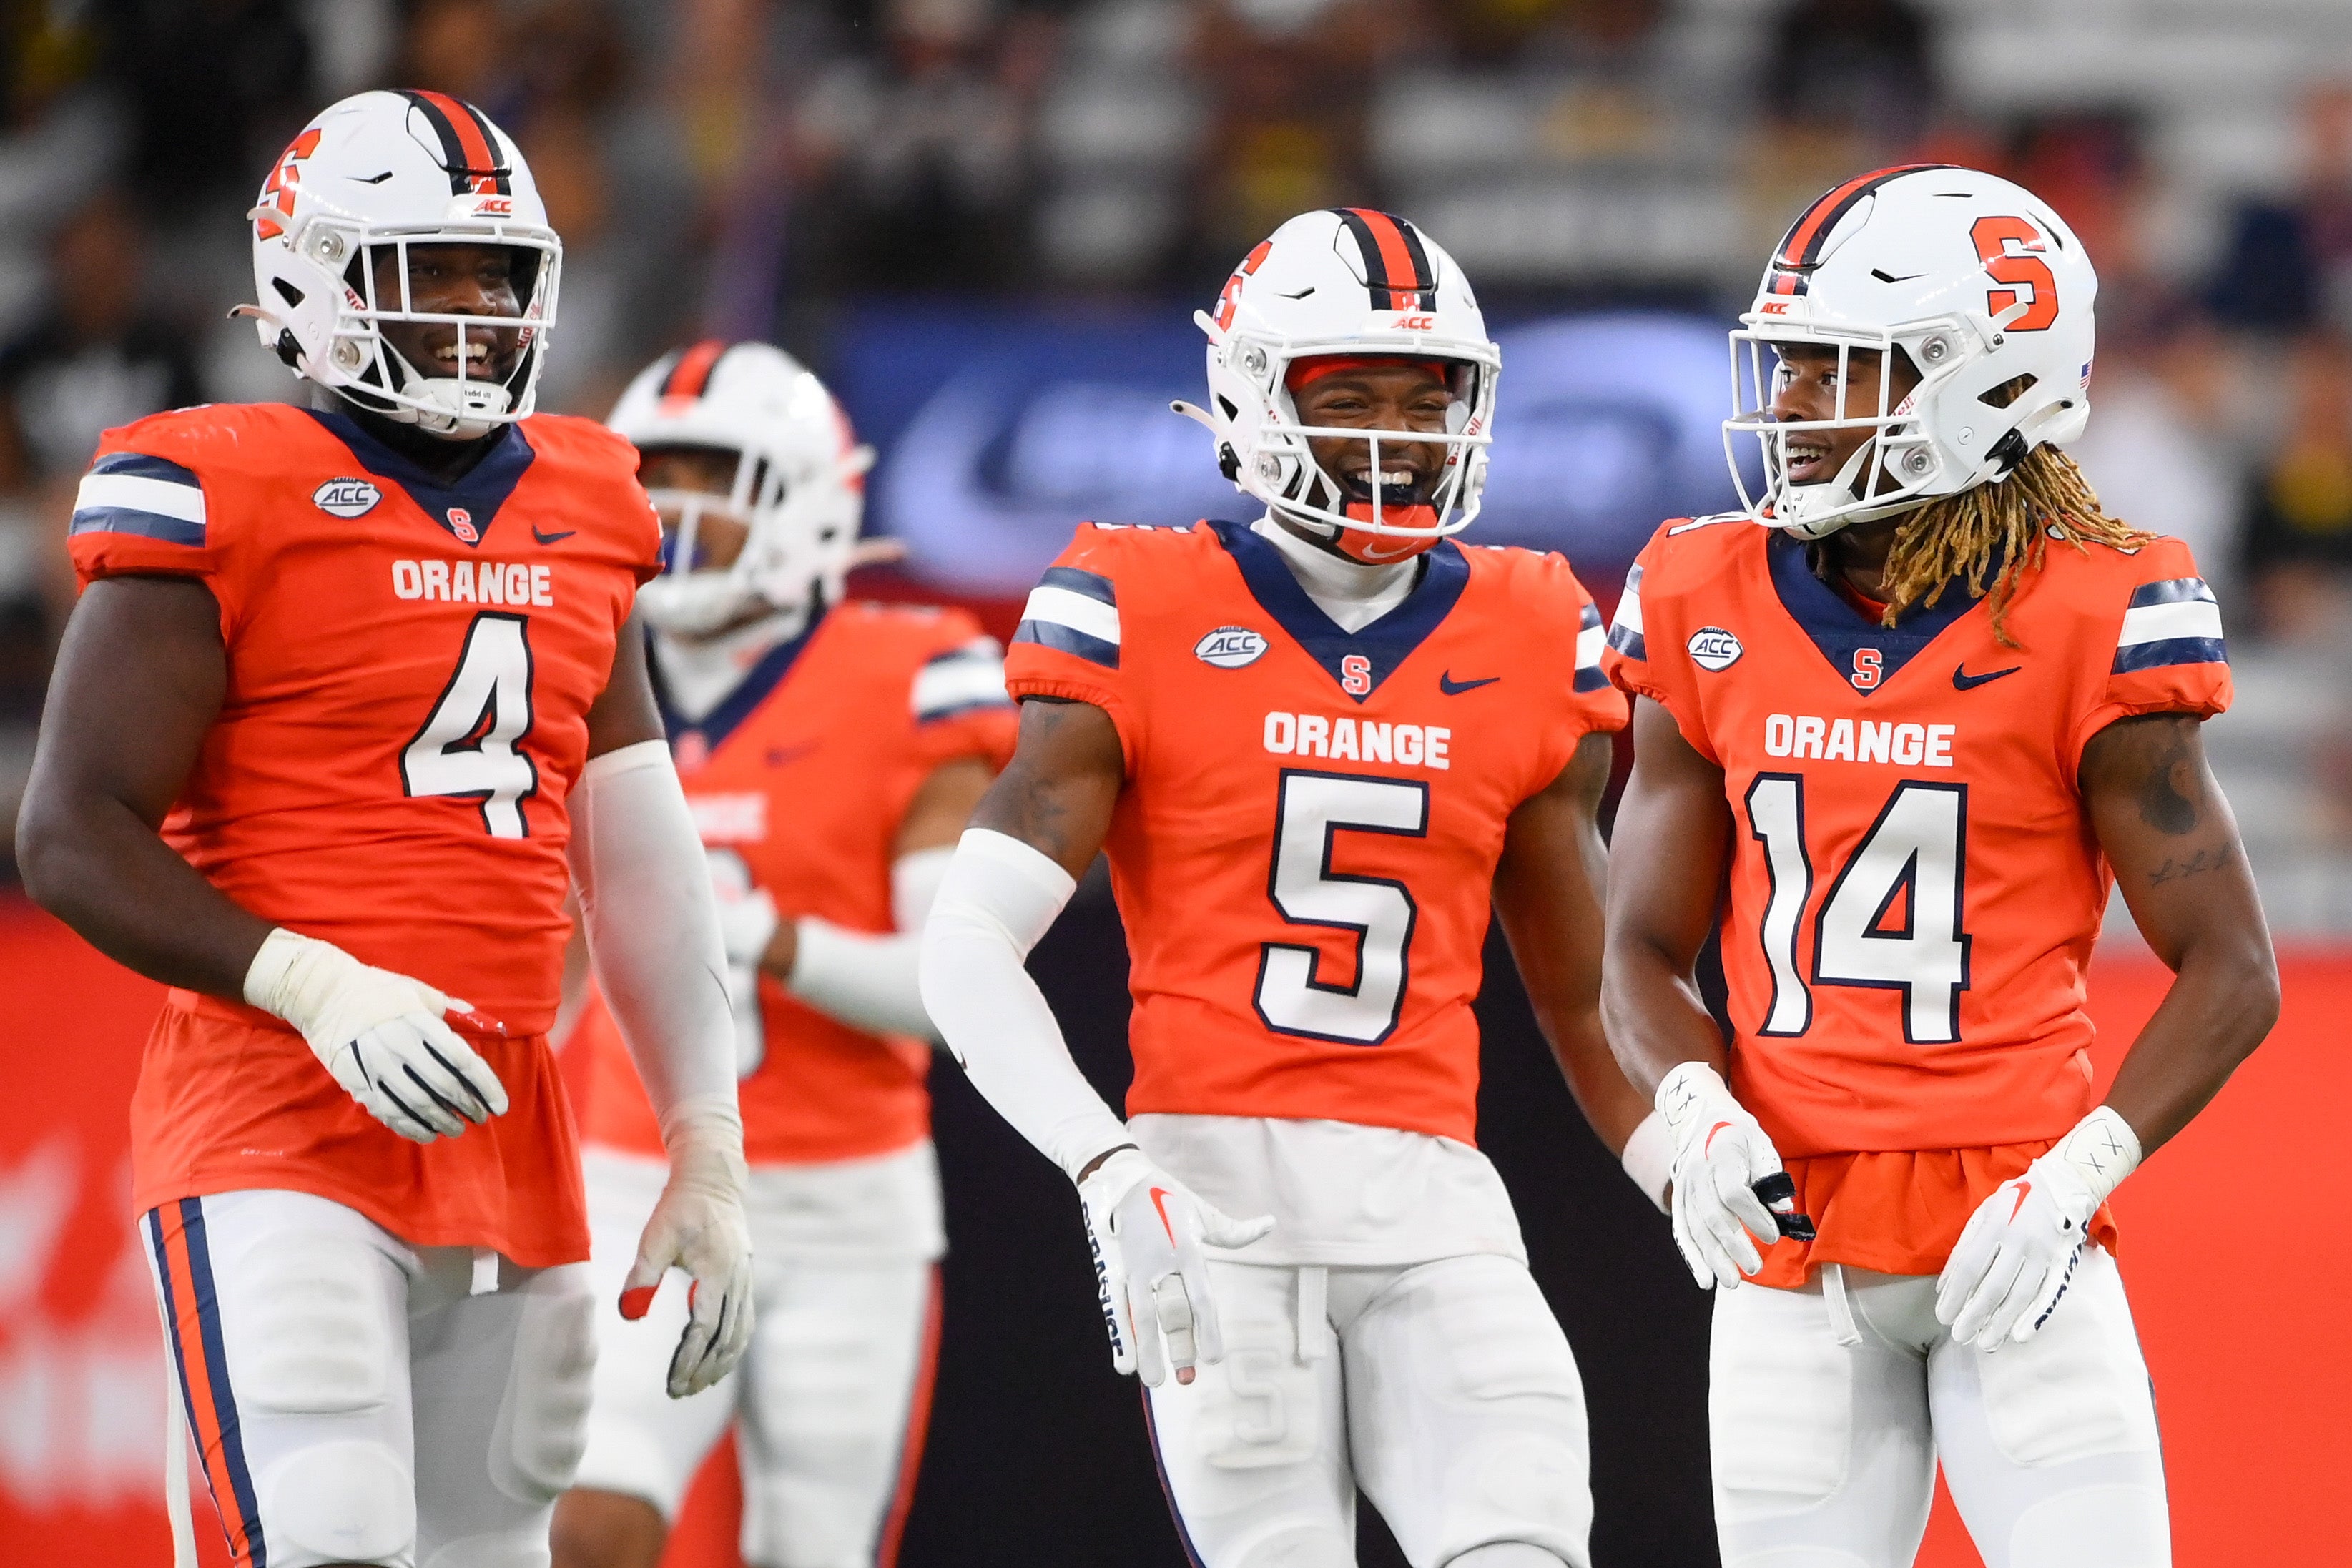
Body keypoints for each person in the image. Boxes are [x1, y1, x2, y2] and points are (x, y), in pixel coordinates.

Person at [14, 90, 757, 1568]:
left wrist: (706, 1140)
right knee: (336, 1529)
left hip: (506, 1116)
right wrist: (310, 977)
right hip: (273, 1111)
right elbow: (72, 830)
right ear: (315, 275)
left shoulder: (591, 499)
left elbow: (639, 854)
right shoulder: (225, 484)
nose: (476, 312)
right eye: (431, 269)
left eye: (499, 275)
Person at [920, 207, 1663, 1568]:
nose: (1398, 433)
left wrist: (1687, 1157)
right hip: (1210, 1200)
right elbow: (966, 941)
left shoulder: (1528, 620)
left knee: (1529, 1543)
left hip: (1436, 1201)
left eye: (1423, 398)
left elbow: (1584, 986)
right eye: (1351, 397)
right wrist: (1105, 1166)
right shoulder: (1135, 598)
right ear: (1253, 403)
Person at [1600, 164, 2280, 1567]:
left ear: (1982, 383)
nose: (1784, 405)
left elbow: (2235, 967)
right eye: (1783, 365)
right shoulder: (1696, 593)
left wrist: (2078, 1172)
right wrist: (1692, 1105)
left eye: (1832, 371)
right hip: (1789, 1241)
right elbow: (1637, 950)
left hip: (2015, 1233)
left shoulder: (2100, 606)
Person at [549, 341, 1017, 1568]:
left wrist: (761, 938)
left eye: (718, 473)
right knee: (591, 1512)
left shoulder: (909, 675)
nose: (679, 509)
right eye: (661, 473)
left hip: (847, 1200)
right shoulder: (575, 664)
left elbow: (949, 988)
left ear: (810, 495)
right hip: (627, 1173)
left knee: (815, 1550)